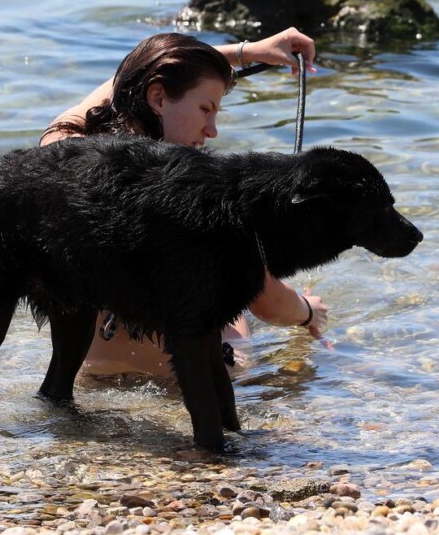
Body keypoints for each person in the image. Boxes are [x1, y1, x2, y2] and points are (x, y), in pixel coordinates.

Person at [40, 28, 331, 378]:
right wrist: (308, 311)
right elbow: (269, 303)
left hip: (96, 368)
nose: (212, 130)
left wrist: (246, 52)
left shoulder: (65, 159)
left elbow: (117, 87)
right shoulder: (207, 198)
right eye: (206, 109)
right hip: (191, 377)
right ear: (158, 98)